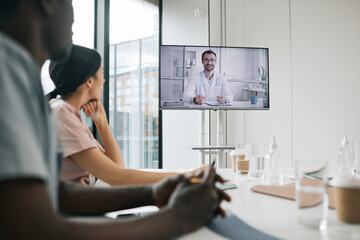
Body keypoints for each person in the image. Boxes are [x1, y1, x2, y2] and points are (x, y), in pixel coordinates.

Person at [0, 1, 230, 239]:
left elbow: (58, 194)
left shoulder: (26, 80)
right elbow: (33, 227)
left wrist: (152, 193)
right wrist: (178, 218)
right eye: (68, 1)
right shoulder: (13, 75)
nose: (73, 16)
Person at [49, 44, 198, 186]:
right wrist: (189, 176)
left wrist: (102, 123)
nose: (104, 80)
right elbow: (118, 178)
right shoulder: (62, 113)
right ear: (89, 81)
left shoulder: (69, 114)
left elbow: (117, 167)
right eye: (101, 73)